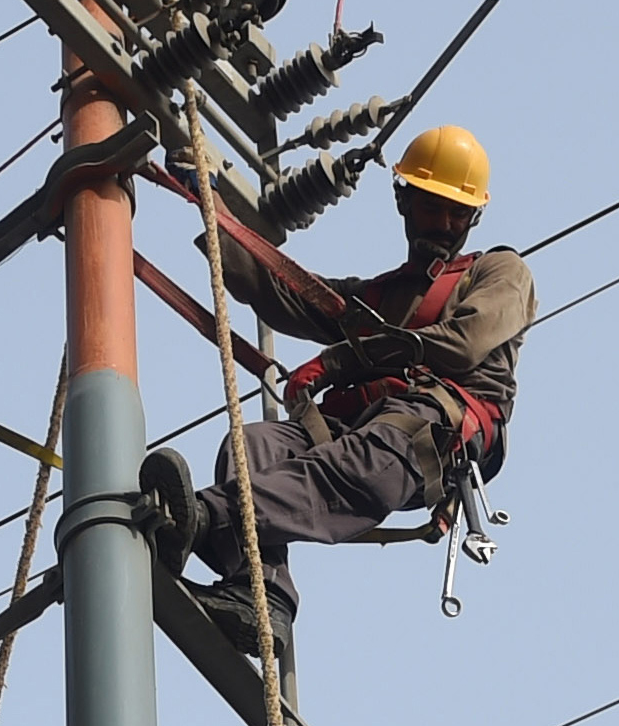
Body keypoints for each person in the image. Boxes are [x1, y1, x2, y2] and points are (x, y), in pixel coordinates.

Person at [140, 124, 534, 635]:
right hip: (361, 424)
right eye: (431, 206)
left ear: (475, 216)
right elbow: (281, 290)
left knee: (362, 456)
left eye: (457, 212)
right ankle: (260, 594)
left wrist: (337, 363)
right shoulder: (383, 297)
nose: (443, 223)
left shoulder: (500, 271)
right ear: (403, 201)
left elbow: (464, 344)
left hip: (430, 429)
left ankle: (204, 516)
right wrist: (209, 201)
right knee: (256, 444)